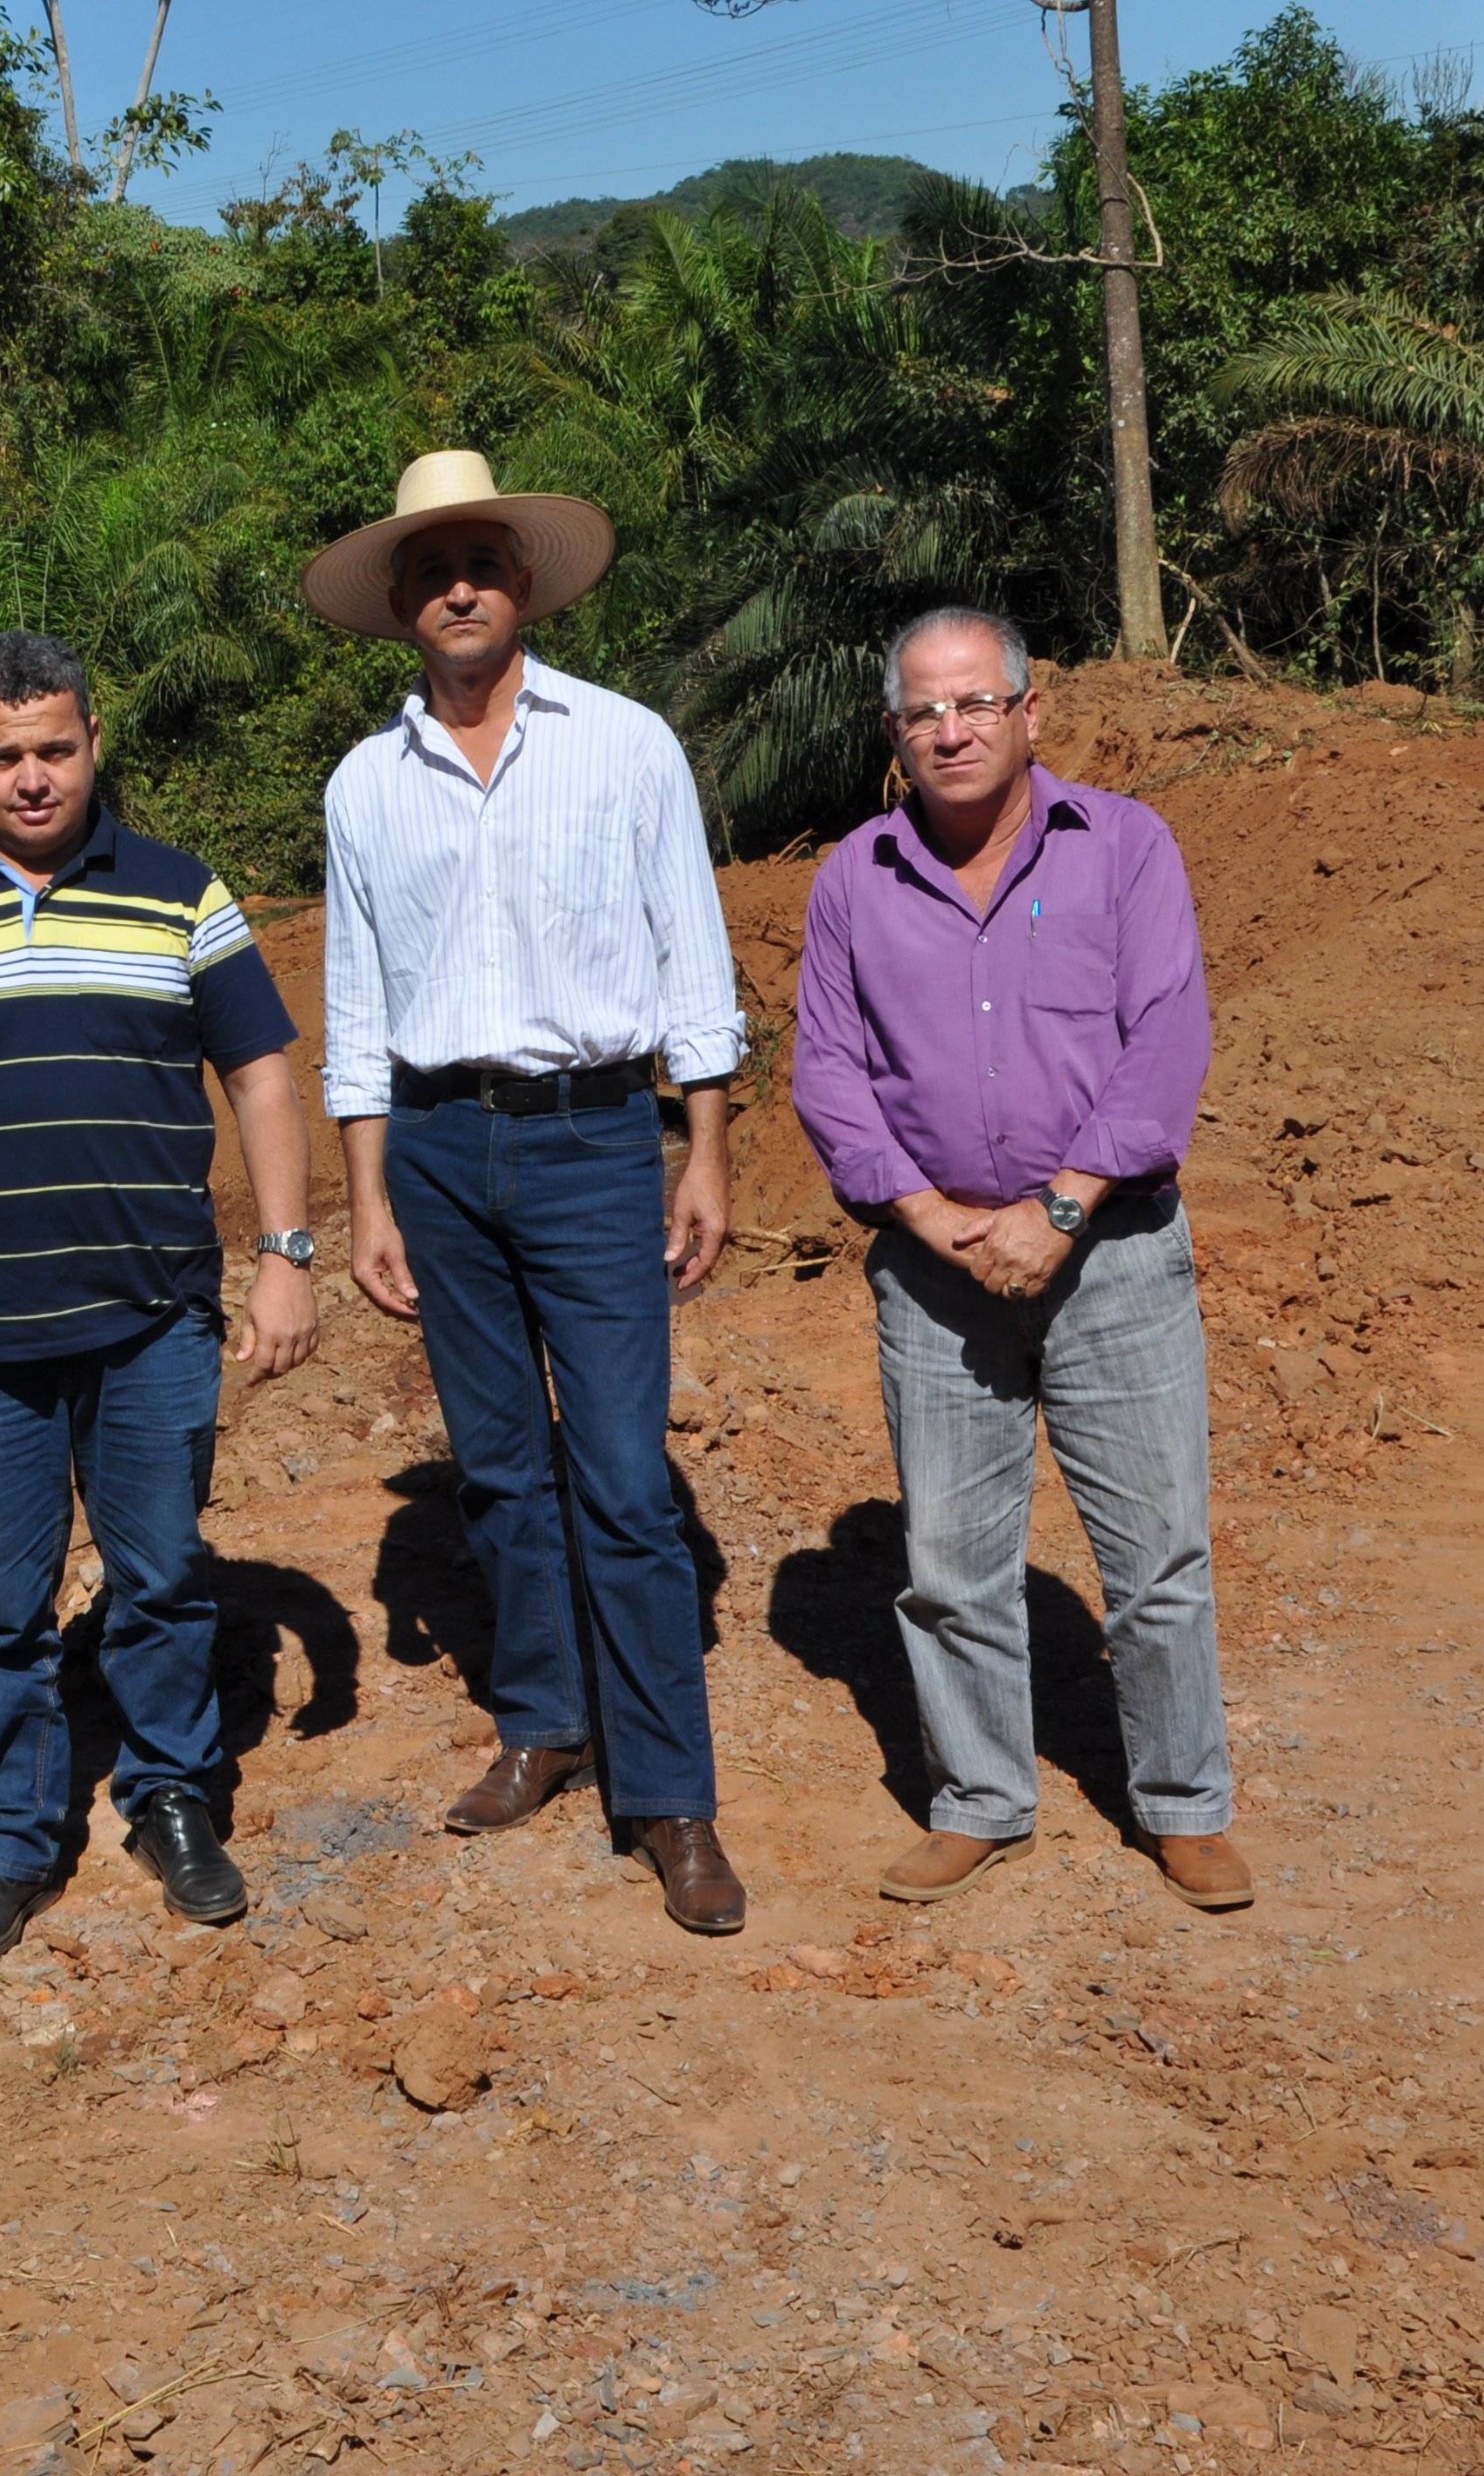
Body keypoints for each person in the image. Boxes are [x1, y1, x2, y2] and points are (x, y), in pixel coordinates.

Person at [303, 449, 752, 1936]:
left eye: (481, 562)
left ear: (522, 583)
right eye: (430, 569)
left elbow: (691, 952)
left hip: (588, 1142)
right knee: (497, 1466)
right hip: (434, 1151)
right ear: (395, 600)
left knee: (623, 1483)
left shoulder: (621, 745)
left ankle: (668, 1794)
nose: (457, 587)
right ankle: (547, 1718)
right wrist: (362, 1198)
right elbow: (356, 1007)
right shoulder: (364, 784)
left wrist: (704, 1145)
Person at [0, 629, 319, 1964]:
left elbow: (264, 1080)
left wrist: (286, 1257)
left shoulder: (181, 894)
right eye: (4, 756)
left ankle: (174, 1796)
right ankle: (8, 1838)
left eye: (56, 748)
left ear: (94, 741)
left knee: (163, 1574)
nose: (34, 778)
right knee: (3, 1601)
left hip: (155, 1317)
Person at [791, 607, 1248, 1912]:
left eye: (976, 703)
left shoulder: (1126, 848)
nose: (952, 729)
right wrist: (932, 1219)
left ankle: (1183, 1804)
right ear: (896, 735)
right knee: (949, 1560)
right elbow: (826, 1072)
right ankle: (981, 1797)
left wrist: (1057, 1208)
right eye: (925, 712)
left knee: (1157, 1553)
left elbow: (1166, 1035)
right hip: (936, 1275)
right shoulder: (852, 880)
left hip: (1115, 1252)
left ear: (1029, 713)